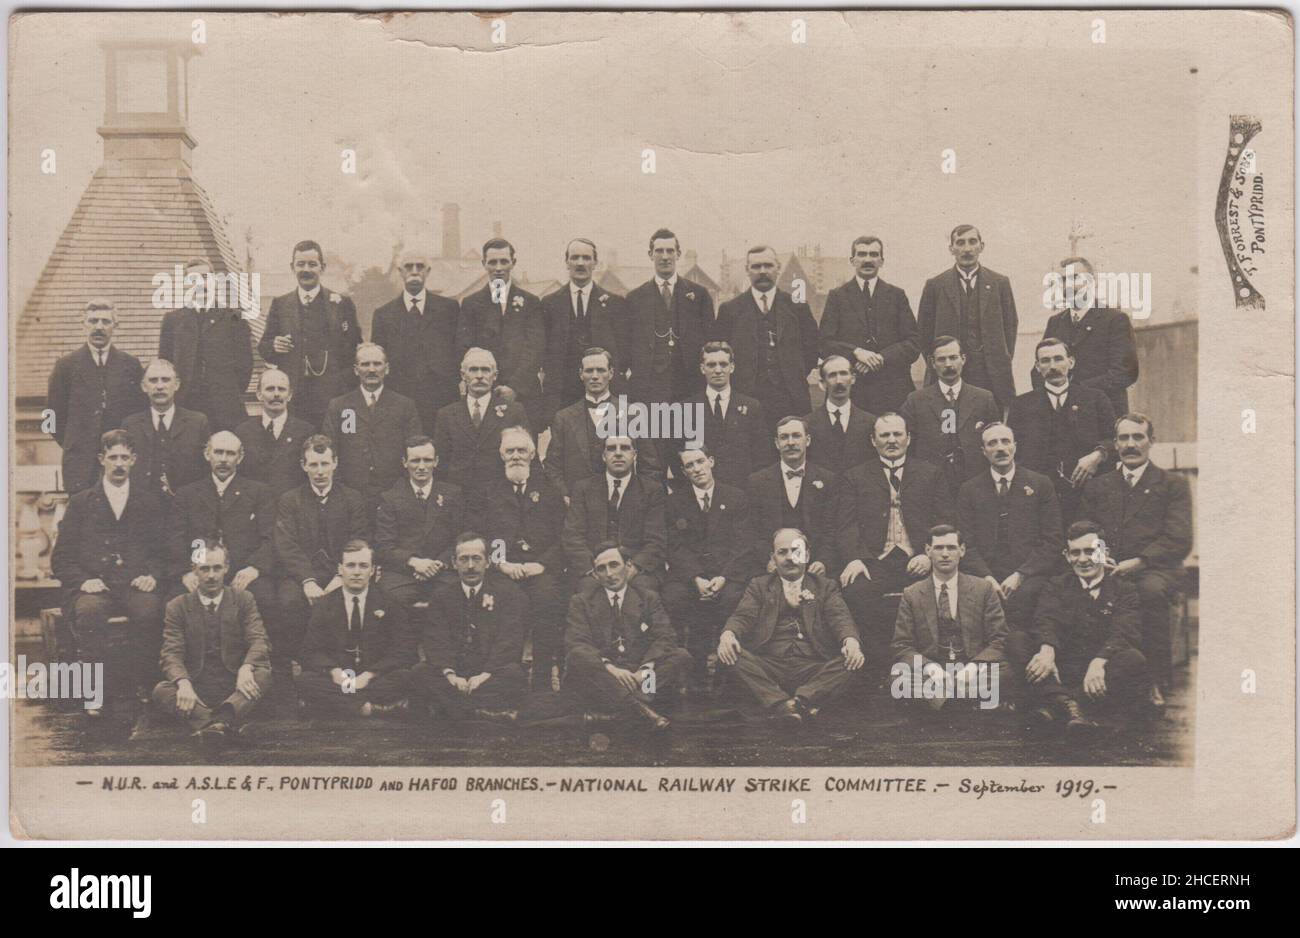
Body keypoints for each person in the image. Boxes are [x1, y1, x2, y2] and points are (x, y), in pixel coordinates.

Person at [1080, 414, 1193, 705]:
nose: (1131, 445)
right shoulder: (1099, 486)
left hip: (1154, 569)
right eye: (1124, 438)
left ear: (1151, 442)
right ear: (1115, 444)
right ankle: (1090, 674)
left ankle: (1154, 680)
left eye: (1138, 437)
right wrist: (1102, 559)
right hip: (1108, 567)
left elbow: (1178, 538)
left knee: (1149, 593)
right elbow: (1087, 530)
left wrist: (1140, 561)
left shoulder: (1172, 485)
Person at [50, 430, 165, 711]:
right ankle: (94, 691)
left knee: (149, 611)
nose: (119, 464)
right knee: (89, 612)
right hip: (95, 585)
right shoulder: (81, 502)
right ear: (101, 459)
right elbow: (61, 558)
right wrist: (84, 581)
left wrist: (153, 574)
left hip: (133, 584)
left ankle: (145, 686)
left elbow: (164, 550)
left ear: (134, 460)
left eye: (125, 457)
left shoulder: (149, 501)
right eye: (113, 457)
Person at [1008, 521, 1149, 734]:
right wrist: (1047, 649)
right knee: (1017, 640)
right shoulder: (1057, 584)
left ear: (1104, 552)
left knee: (1133, 659)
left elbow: (1125, 630)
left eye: (1090, 551)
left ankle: (1056, 706)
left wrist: (1099, 660)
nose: (1082, 560)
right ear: (1066, 555)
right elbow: (1046, 618)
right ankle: (1071, 707)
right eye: (1075, 553)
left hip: (1097, 674)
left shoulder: (1125, 589)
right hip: (1059, 670)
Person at [833, 413, 953, 663]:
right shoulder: (855, 476)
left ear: (908, 438)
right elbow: (846, 525)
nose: (891, 440)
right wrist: (854, 559)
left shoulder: (931, 473)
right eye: (884, 435)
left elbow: (944, 523)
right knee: (856, 592)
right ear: (873, 440)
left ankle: (931, 663)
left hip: (918, 558)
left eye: (897, 434)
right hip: (875, 561)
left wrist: (929, 555)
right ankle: (878, 666)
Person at [717, 528, 864, 722]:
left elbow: (840, 617)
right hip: (769, 665)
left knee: (852, 661)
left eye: (796, 551)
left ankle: (790, 703)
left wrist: (850, 641)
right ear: (773, 558)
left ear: (807, 555)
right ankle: (792, 704)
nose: (789, 558)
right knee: (731, 655)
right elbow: (743, 616)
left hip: (811, 666)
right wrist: (728, 634)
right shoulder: (759, 586)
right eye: (782, 552)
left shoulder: (825, 586)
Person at [152, 542, 271, 749]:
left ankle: (210, 725)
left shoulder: (243, 599)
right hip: (197, 687)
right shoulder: (178, 606)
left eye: (217, 568)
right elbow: (171, 653)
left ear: (226, 568)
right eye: (204, 569)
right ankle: (222, 726)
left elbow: (259, 639)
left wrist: (246, 667)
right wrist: (183, 683)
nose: (211, 576)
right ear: (194, 570)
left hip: (235, 685)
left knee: (263, 674)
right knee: (161, 690)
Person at [560, 543, 691, 730]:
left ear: (628, 566)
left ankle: (619, 711)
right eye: (601, 569)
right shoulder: (581, 601)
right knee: (577, 657)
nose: (609, 574)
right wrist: (611, 669)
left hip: (638, 677)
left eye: (614, 565)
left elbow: (665, 636)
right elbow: (577, 643)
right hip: (604, 676)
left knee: (681, 656)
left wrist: (644, 670)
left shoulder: (648, 598)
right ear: (595, 575)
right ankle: (641, 710)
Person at [272, 435, 370, 672]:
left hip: (342, 573)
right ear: (303, 465)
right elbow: (287, 545)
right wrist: (307, 581)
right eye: (313, 465)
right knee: (289, 601)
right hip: (302, 575)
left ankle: (344, 662)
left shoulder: (352, 498)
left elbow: (358, 540)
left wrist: (341, 576)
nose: (320, 471)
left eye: (325, 464)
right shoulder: (290, 500)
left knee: (352, 599)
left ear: (335, 463)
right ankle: (300, 664)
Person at [891, 525, 1010, 711]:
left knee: (1004, 671)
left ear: (962, 551)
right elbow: (902, 645)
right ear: (928, 551)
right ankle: (967, 703)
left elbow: (999, 639)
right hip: (934, 669)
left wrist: (973, 667)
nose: (945, 554)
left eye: (951, 547)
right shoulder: (912, 594)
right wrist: (929, 668)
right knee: (898, 676)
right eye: (938, 548)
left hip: (971, 667)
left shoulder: (983, 589)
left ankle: (944, 703)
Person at [482, 427, 566, 691]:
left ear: (532, 455)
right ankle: (507, 677)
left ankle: (542, 674)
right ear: (501, 455)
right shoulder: (489, 491)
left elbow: (563, 536)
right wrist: (502, 563)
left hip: (539, 568)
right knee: (508, 602)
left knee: (548, 599)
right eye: (510, 451)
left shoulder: (549, 491)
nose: (516, 456)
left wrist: (540, 564)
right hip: (502, 570)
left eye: (521, 450)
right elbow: (483, 532)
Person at [412, 533, 528, 722]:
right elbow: (435, 640)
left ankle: (453, 711)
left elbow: (509, 640)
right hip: (455, 677)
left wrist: (484, 675)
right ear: (454, 562)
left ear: (488, 562)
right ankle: (477, 711)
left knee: (514, 674)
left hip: (488, 674)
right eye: (464, 559)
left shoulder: (508, 594)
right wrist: (450, 675)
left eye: (477, 558)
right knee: (419, 672)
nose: (471, 566)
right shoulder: (442, 597)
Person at [168, 432, 277, 634]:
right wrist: (186, 571)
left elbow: (270, 538)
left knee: (266, 599)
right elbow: (175, 538)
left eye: (230, 453)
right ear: (207, 454)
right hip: (198, 572)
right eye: (218, 452)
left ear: (240, 457)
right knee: (173, 600)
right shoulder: (187, 494)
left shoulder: (258, 492)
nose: (224, 460)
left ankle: (263, 661)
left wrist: (254, 568)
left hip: (241, 572)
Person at [955, 423, 1063, 627]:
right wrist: (986, 577)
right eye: (992, 443)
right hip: (984, 572)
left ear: (1015, 445)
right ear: (983, 451)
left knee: (1030, 598)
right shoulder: (969, 490)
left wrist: (1021, 575)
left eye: (1005, 441)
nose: (1000, 448)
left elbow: (1053, 540)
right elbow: (965, 543)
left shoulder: (1040, 484)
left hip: (1028, 572)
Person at [663, 446, 753, 689]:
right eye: (689, 465)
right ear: (683, 471)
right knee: (674, 597)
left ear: (711, 461)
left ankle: (729, 671)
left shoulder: (736, 497)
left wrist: (723, 577)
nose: (696, 469)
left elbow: (742, 544)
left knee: (733, 599)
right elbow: (675, 546)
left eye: (700, 461)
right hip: (690, 577)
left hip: (727, 574)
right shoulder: (674, 502)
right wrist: (696, 578)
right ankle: (689, 671)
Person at [296, 540, 416, 717]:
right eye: (351, 565)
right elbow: (310, 651)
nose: (357, 572)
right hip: (339, 679)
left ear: (373, 570)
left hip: (373, 678)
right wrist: (335, 673)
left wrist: (368, 676)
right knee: (305, 681)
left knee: (406, 677)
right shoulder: (324, 604)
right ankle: (369, 709)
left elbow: (403, 650)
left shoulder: (389, 602)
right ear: (340, 569)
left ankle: (341, 707)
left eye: (363, 566)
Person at [1008, 337, 1115, 524]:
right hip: (1040, 500)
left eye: (1058, 359)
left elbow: (1114, 440)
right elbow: (1013, 452)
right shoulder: (1021, 405)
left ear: (1070, 362)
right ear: (1037, 366)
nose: (1053, 366)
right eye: (1045, 361)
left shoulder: (1095, 399)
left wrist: (1097, 455)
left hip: (1087, 496)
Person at [47, 299, 148, 494]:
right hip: (79, 463)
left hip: (119, 461)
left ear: (115, 326)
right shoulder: (65, 366)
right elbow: (49, 416)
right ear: (83, 324)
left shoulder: (131, 365)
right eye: (93, 321)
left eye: (105, 321)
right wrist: (73, 443)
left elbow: (141, 414)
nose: (99, 327)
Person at [257, 239, 362, 427]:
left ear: (322, 267)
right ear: (292, 267)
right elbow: (264, 347)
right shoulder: (280, 305)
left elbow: (354, 349)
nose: (306, 269)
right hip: (294, 398)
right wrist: (274, 345)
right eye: (301, 264)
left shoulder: (341, 304)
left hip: (332, 398)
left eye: (312, 264)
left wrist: (343, 388)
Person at [917, 225, 1018, 413]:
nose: (967, 248)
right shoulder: (936, 285)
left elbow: (1010, 328)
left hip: (990, 375)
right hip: (949, 373)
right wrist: (942, 364)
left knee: (989, 428)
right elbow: (924, 332)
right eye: (960, 243)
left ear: (982, 246)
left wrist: (998, 360)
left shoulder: (999, 283)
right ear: (951, 249)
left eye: (973, 242)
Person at [722, 246, 819, 434]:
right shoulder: (731, 310)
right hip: (747, 398)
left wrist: (792, 373)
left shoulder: (797, 307)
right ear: (747, 270)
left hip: (791, 398)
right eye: (756, 266)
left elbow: (812, 348)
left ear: (778, 267)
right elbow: (723, 354)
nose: (763, 271)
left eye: (768, 265)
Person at [818, 235, 919, 413]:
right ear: (852, 260)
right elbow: (825, 343)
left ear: (881, 261)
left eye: (873, 255)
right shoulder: (837, 297)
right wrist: (856, 353)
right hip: (852, 392)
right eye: (862, 254)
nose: (867, 260)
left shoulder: (896, 296)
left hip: (893, 391)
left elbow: (913, 343)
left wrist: (880, 358)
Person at [544, 347, 662, 500]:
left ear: (611, 373)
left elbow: (650, 466)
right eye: (589, 371)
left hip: (622, 505)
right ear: (581, 374)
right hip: (577, 506)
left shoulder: (632, 413)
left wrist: (636, 500)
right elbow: (552, 466)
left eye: (600, 370)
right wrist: (565, 495)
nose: (595, 376)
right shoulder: (563, 417)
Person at [456, 238, 547, 433]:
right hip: (484, 393)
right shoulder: (471, 304)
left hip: (523, 395)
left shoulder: (530, 303)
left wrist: (514, 387)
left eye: (504, 262)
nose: (498, 268)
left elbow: (535, 348)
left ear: (513, 263)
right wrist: (487, 385)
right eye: (492, 262)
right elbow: (465, 348)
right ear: (484, 264)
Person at [621, 228, 721, 405]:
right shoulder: (635, 298)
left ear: (678, 254)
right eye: (659, 251)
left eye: (670, 251)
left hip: (690, 388)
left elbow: (710, 340)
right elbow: (626, 346)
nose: (665, 256)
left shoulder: (699, 295)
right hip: (648, 391)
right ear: (650, 255)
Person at [321, 342, 423, 514]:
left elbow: (415, 451)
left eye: (377, 364)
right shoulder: (340, 405)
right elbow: (329, 451)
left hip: (393, 494)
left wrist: (401, 489)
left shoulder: (404, 406)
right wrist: (341, 490)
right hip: (350, 495)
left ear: (387, 368)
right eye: (365, 364)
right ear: (355, 369)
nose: (371, 369)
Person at [157, 256, 253, 432]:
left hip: (224, 409)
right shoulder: (173, 321)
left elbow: (245, 367)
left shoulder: (234, 319)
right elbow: (165, 363)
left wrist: (226, 392)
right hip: (185, 405)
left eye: (205, 278)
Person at [1034, 257, 1139, 416]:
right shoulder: (1055, 322)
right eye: (1063, 280)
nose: (1068, 285)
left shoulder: (1115, 320)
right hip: (1062, 414)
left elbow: (1124, 372)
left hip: (1103, 413)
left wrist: (1073, 391)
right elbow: (1038, 370)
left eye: (1074, 278)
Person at [369, 248, 461, 430]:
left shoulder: (449, 309)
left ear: (428, 272)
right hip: (400, 399)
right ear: (400, 272)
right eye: (408, 266)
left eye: (420, 266)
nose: (414, 271)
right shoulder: (383, 315)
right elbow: (379, 360)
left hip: (442, 399)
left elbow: (459, 350)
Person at [562, 436, 666, 592]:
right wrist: (594, 569)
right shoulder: (583, 489)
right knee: (588, 590)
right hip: (594, 568)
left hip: (635, 568)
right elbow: (573, 536)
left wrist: (633, 569)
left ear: (634, 455)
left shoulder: (651, 490)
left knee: (642, 590)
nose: (618, 454)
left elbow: (656, 540)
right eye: (611, 448)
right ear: (604, 456)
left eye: (624, 448)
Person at [432, 347, 528, 515]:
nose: (479, 375)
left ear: (495, 376)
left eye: (485, 370)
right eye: (473, 370)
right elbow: (441, 463)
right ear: (463, 375)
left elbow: (526, 459)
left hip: (500, 500)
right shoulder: (446, 414)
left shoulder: (514, 412)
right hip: (459, 501)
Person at [899, 335, 1001, 494]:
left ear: (963, 359)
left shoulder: (984, 398)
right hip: (931, 486)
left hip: (975, 484)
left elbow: (995, 442)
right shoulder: (916, 401)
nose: (948, 364)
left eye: (953, 358)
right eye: (941, 359)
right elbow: (907, 446)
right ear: (932, 363)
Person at [373, 435, 465, 612]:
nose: (421, 467)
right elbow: (384, 547)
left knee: (456, 596)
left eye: (427, 460)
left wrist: (438, 563)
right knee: (388, 600)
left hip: (442, 572)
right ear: (404, 462)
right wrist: (414, 562)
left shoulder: (453, 494)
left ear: (436, 461)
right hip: (403, 574)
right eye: (415, 461)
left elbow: (460, 539)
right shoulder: (390, 498)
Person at [542, 239, 623, 422]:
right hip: (563, 394)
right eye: (575, 257)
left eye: (586, 258)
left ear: (595, 263)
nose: (580, 263)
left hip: (603, 392)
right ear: (567, 263)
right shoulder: (549, 303)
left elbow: (622, 353)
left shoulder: (614, 304)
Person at [746, 416, 837, 578]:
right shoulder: (758, 481)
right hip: (772, 567)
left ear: (807, 440)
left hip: (813, 567)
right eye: (784, 437)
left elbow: (831, 529)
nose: (790, 442)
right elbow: (752, 530)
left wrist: (823, 561)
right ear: (776, 443)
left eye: (796, 436)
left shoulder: (827, 479)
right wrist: (769, 560)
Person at [675, 341, 770, 487]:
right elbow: (676, 457)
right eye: (711, 365)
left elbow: (762, 456)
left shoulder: (752, 407)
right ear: (702, 368)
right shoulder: (686, 409)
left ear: (732, 367)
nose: (718, 370)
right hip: (701, 492)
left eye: (723, 364)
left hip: (743, 492)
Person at [122, 359, 210, 507]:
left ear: (176, 385)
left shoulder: (197, 422)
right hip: (143, 510)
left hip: (186, 508)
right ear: (144, 386)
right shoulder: (130, 425)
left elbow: (206, 471)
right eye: (153, 380)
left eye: (166, 380)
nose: (160, 386)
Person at [234, 368, 315, 496]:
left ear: (290, 395)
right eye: (270, 389)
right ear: (259, 394)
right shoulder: (243, 432)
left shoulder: (305, 431)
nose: (276, 394)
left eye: (281, 389)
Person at [804, 355, 877, 474]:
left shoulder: (871, 423)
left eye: (843, 374)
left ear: (853, 378)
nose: (839, 381)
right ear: (822, 383)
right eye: (832, 375)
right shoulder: (807, 424)